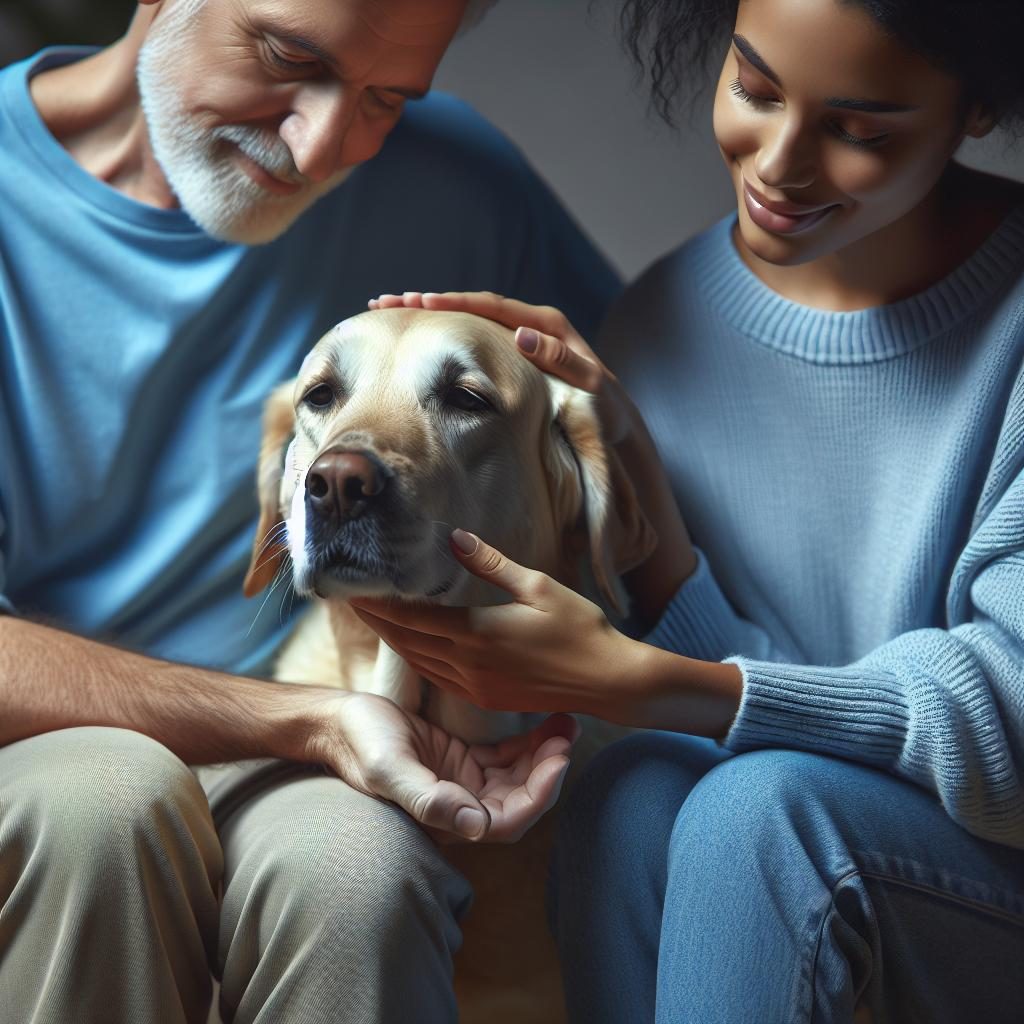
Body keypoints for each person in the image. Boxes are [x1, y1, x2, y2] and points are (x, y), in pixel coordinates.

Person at [356, 0, 1024, 1019]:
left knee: (758, 813)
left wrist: (646, 680)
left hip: (980, 861)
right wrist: (652, 520)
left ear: (976, 109)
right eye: (753, 89)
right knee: (631, 800)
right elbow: (769, 690)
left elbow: (1005, 727)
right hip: (805, 831)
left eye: (859, 131)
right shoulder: (660, 321)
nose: (778, 166)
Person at [0, 0, 621, 1021]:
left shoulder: (459, 188)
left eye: (386, 98)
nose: (324, 145)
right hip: (69, 750)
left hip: (321, 761)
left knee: (359, 872)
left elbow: (641, 444)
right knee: (103, 804)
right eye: (285, 56)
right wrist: (313, 722)